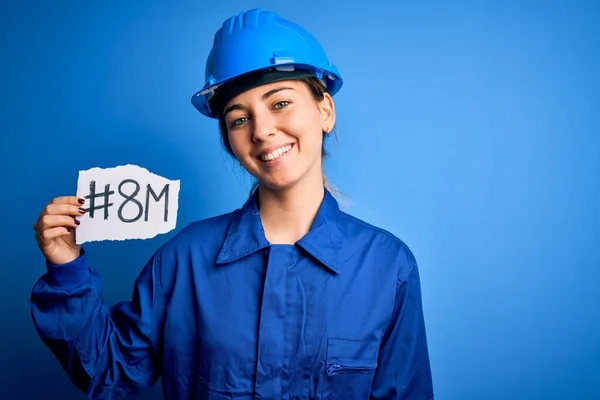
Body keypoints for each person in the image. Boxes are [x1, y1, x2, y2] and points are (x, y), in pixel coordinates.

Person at [30, 8, 434, 400]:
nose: (262, 131)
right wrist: (67, 269)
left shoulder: (387, 266)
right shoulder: (184, 260)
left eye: (280, 103)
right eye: (239, 119)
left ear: (325, 110)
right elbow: (107, 373)